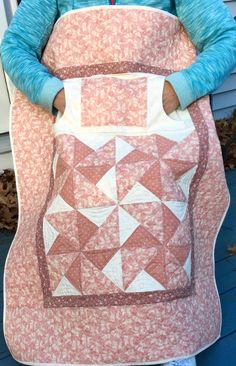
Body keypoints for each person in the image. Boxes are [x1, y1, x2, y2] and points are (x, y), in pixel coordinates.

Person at [0, 1, 236, 366]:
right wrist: (56, 96)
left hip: (156, 123)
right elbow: (15, 47)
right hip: (79, 128)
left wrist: (178, 89)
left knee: (159, 228)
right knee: (73, 225)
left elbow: (225, 37)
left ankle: (164, 340)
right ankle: (78, 341)